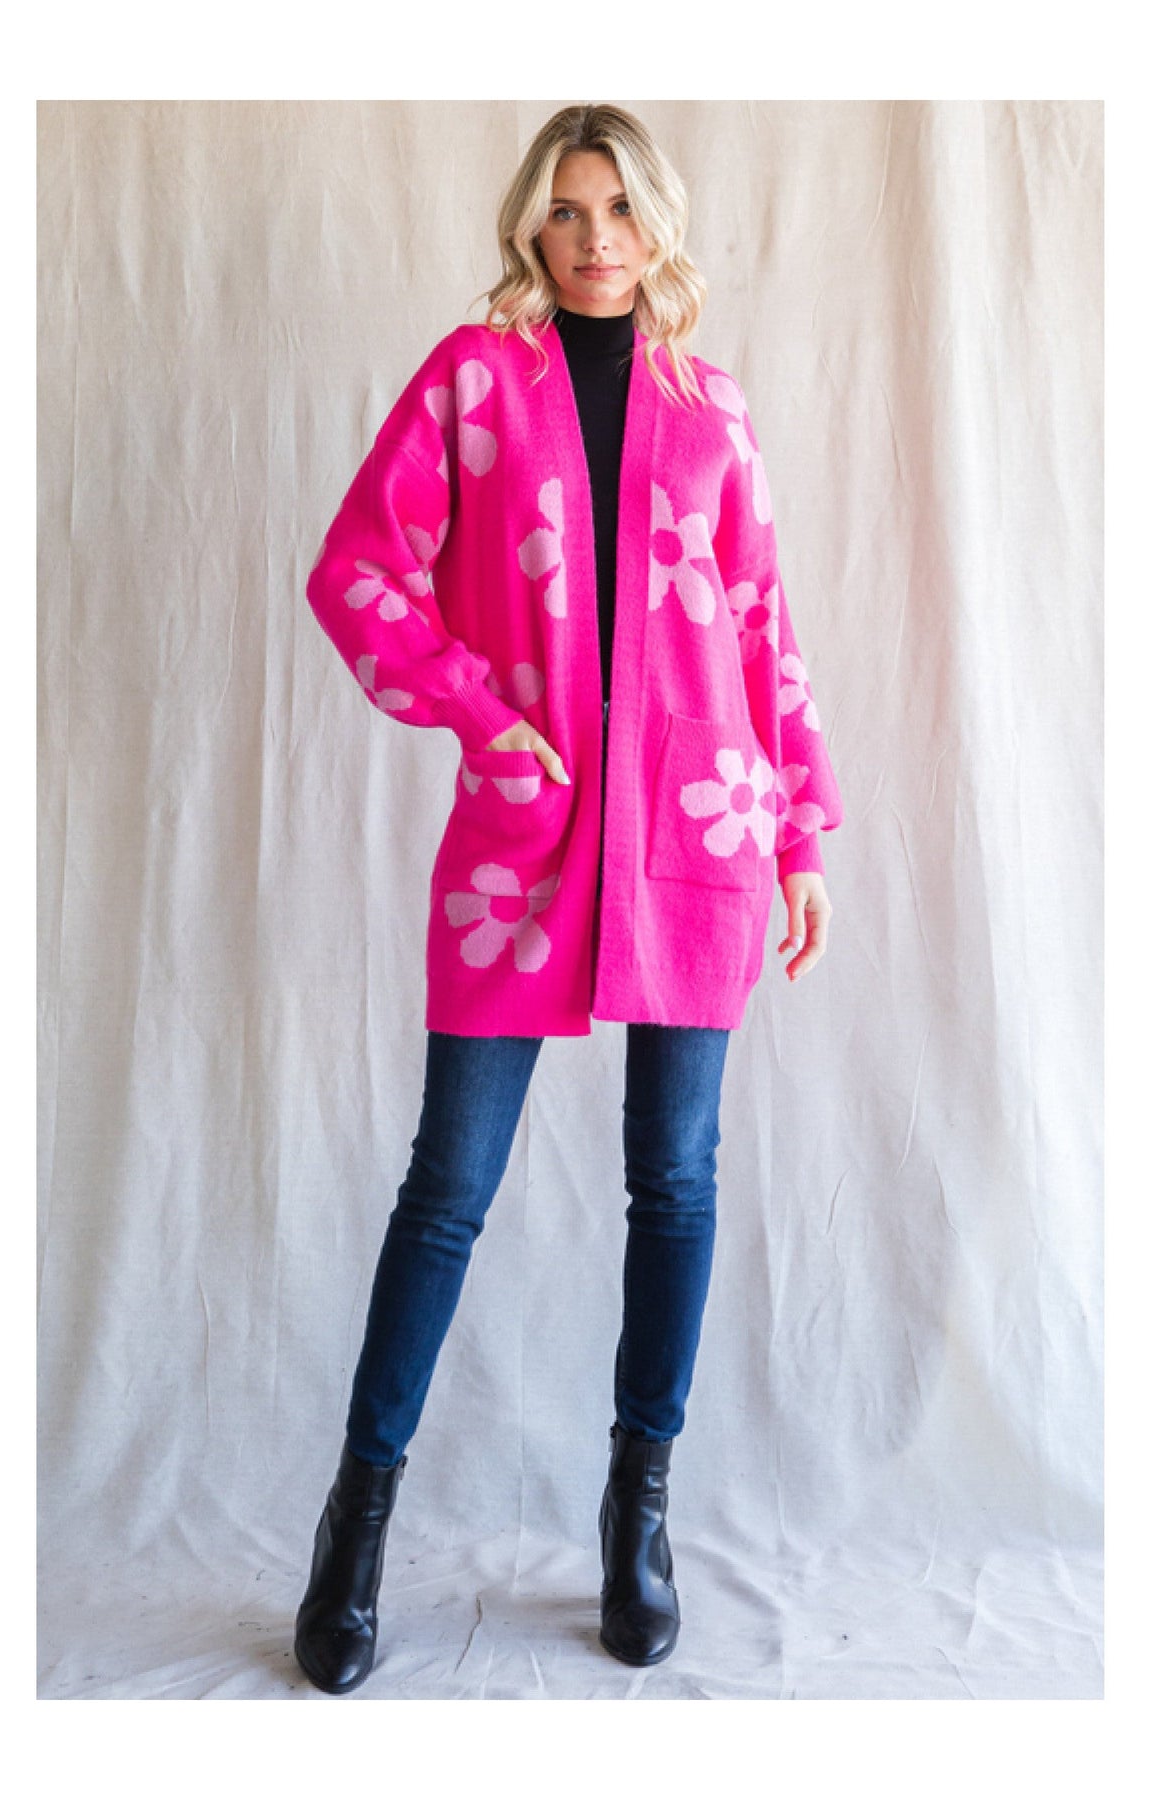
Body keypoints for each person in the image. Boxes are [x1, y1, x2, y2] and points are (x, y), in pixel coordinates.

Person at [294, 102, 843, 1695]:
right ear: (531, 225)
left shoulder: (711, 405)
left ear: (659, 225)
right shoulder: (473, 381)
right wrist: (488, 719)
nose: (597, 239)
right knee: (447, 1186)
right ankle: (354, 1524)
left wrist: (802, 831)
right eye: (567, 210)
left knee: (676, 1181)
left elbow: (762, 625)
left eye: (620, 210)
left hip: (697, 826)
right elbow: (357, 574)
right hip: (524, 841)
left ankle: (637, 1511)